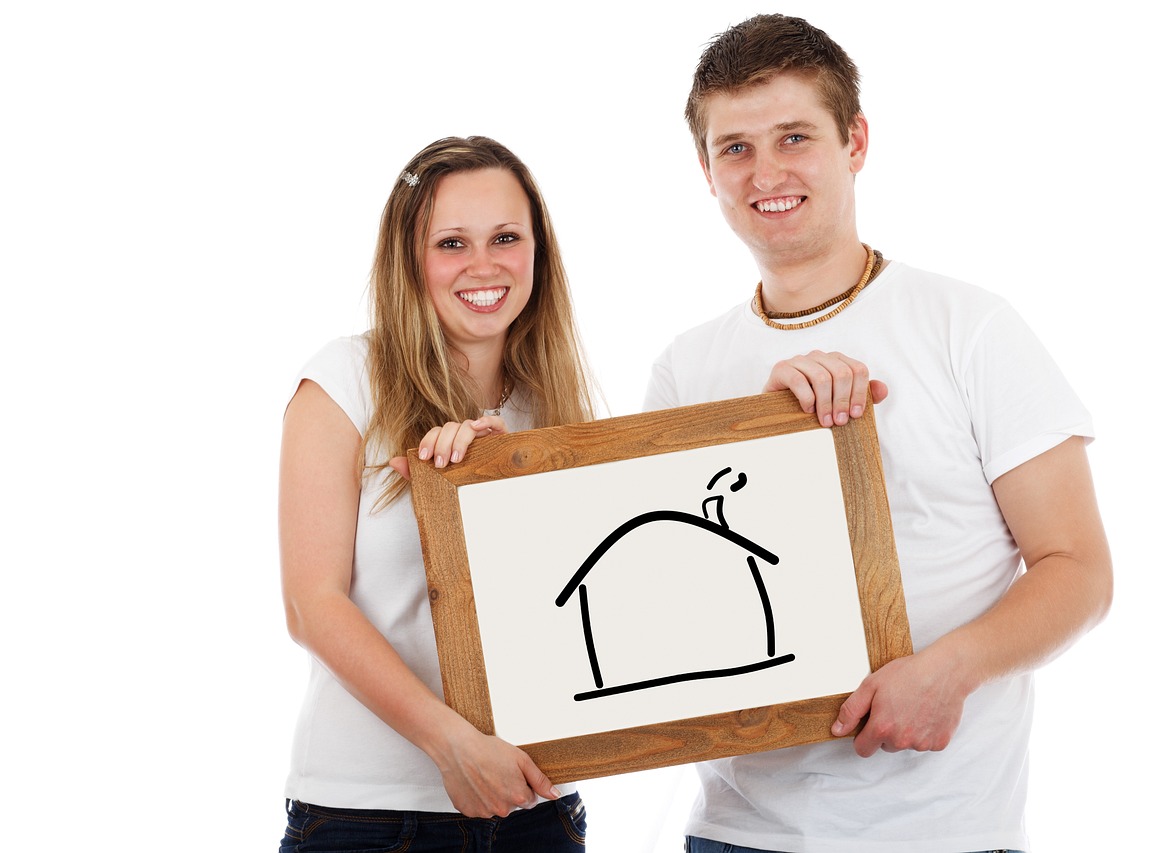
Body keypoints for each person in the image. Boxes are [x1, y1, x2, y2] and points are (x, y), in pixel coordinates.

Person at [645, 14, 1112, 853]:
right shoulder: (685, 368)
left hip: (942, 833)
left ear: (855, 141)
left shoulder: (969, 326)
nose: (767, 173)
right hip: (736, 833)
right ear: (705, 169)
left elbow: (1079, 570)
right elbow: (673, 600)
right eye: (736, 148)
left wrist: (950, 670)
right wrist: (761, 434)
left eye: (795, 137)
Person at [277, 136, 594, 851]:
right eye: (452, 242)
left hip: (537, 806)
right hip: (369, 816)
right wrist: (450, 743)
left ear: (537, 251)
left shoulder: (557, 405)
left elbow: (581, 602)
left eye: (506, 237)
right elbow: (311, 604)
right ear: (409, 258)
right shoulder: (344, 379)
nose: (484, 266)